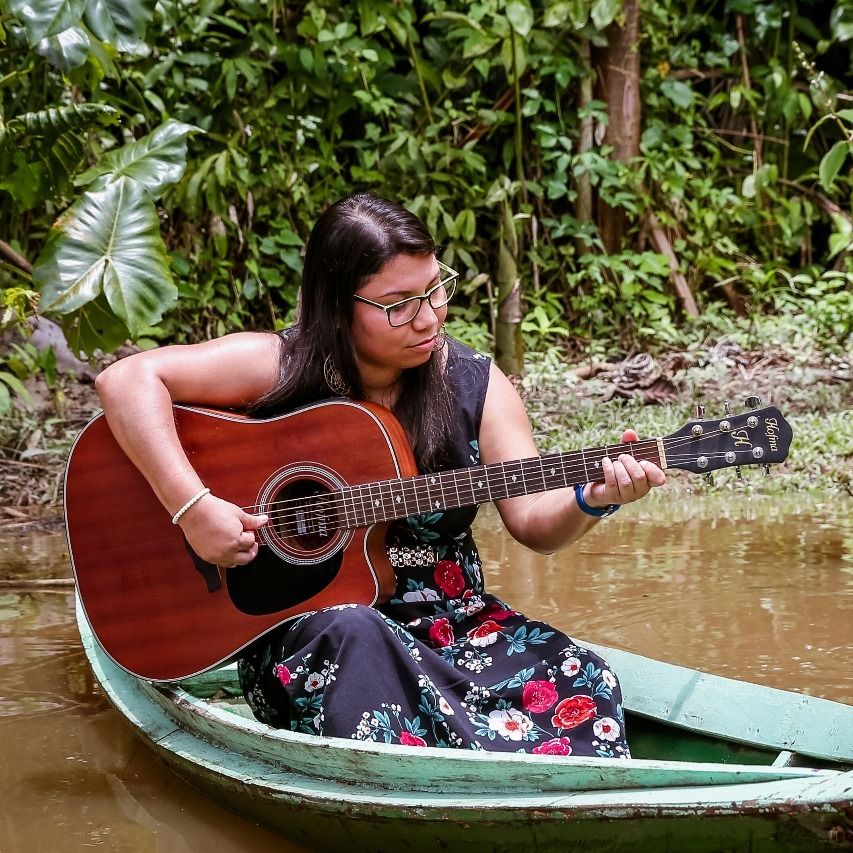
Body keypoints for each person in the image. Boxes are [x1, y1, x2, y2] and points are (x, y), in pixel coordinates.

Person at [95, 192, 665, 756]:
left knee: (585, 678)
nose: (429, 317)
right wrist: (193, 507)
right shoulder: (283, 365)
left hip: (453, 624)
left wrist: (592, 499)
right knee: (356, 637)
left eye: (435, 289)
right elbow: (125, 381)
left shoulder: (475, 384)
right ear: (337, 304)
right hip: (316, 634)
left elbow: (534, 522)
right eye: (399, 305)